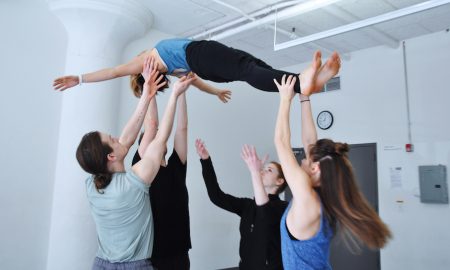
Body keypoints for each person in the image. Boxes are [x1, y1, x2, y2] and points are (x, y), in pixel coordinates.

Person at [273, 51, 392, 269]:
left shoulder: (309, 200)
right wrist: (304, 96)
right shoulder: (318, 197)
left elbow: (281, 142)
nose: (303, 160)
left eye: (307, 160)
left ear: (317, 168)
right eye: (306, 160)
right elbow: (308, 142)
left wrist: (284, 99)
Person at [75, 57, 194, 270]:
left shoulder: (92, 184)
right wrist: (174, 95)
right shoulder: (133, 183)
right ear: (111, 157)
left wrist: (146, 94)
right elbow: (158, 138)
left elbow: (127, 139)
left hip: (103, 263)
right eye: (112, 140)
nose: (118, 138)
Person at [53, 38, 339, 98]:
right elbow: (115, 71)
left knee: (251, 66)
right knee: (248, 68)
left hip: (204, 65)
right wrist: (80, 78)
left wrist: (215, 93)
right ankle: (302, 82)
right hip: (201, 54)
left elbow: (197, 82)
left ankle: (308, 82)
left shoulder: (172, 69)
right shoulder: (147, 61)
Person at [195, 139, 288, 269]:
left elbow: (265, 213)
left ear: (280, 181)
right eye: (263, 168)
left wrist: (254, 172)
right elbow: (216, 196)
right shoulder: (247, 205)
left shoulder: (283, 208)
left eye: (269, 170)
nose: (262, 171)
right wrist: (206, 160)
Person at [131, 89, 191, 269]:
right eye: (154, 136)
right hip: (153, 255)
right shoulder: (141, 167)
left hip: (180, 252)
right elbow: (151, 123)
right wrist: (149, 88)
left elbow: (182, 128)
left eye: (160, 134)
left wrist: (182, 91)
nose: (159, 136)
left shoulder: (176, 166)